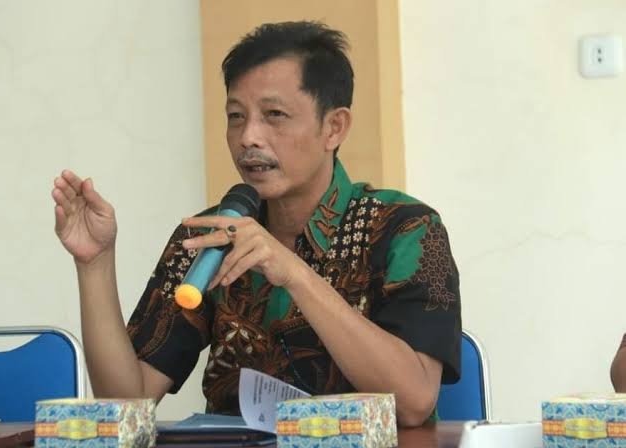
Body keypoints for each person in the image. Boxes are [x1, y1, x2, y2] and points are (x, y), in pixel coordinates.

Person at [51, 21, 461, 427]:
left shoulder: (405, 229)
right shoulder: (211, 237)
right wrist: (95, 263)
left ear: (333, 127)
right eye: (236, 116)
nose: (248, 137)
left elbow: (413, 402)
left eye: (274, 115)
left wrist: (294, 273)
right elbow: (126, 407)